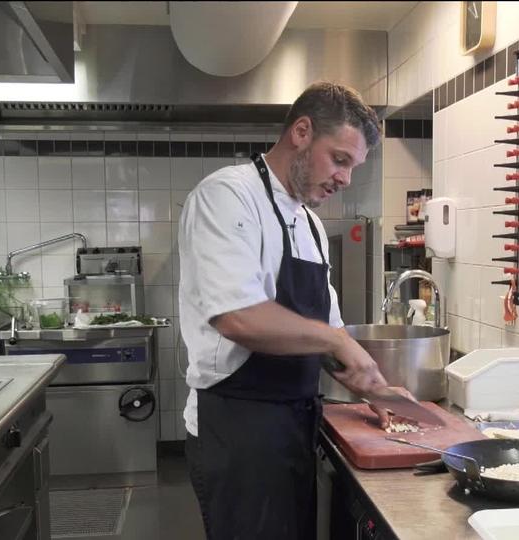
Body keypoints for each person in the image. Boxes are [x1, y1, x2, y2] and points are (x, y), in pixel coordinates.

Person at [178, 82, 407, 540]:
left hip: (297, 425)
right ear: (301, 132)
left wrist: (376, 392)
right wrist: (337, 341)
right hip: (238, 432)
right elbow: (237, 317)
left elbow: (327, 330)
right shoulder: (227, 195)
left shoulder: (311, 224)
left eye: (353, 168)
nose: (345, 179)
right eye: (340, 159)